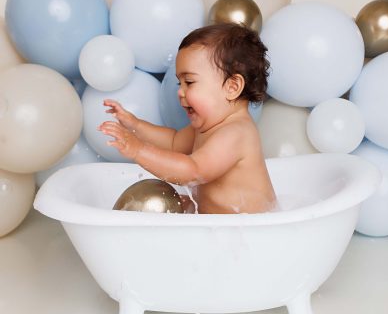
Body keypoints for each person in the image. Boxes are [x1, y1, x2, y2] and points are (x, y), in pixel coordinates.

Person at [98, 23, 276, 214]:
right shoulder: (207, 127)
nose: (180, 92)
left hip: (251, 231)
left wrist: (138, 150)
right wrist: (135, 125)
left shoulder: (237, 133)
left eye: (189, 82)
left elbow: (193, 171)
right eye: (179, 82)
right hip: (221, 226)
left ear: (232, 87)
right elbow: (173, 142)